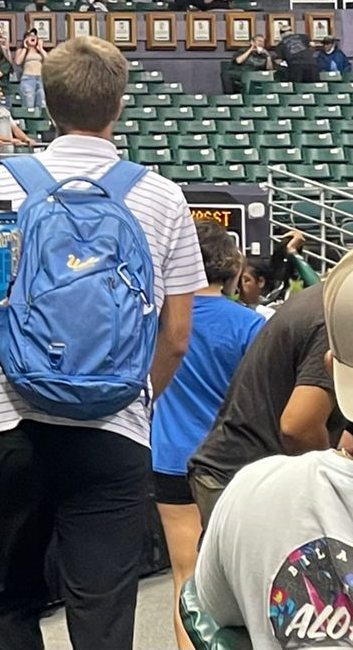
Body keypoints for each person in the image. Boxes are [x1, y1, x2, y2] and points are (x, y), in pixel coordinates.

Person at [0, 36, 205, 650]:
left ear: (46, 106)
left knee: (11, 598)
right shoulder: (161, 196)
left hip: (9, 423)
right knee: (102, 612)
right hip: (114, 429)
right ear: (119, 104)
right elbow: (177, 336)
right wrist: (134, 391)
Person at [193, 254, 353, 649]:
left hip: (246, 480)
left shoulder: (325, 307)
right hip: (246, 471)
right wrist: (320, 486)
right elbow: (297, 426)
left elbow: (206, 614)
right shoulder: (322, 318)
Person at [149, 220, 263, 650]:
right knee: (240, 577)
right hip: (235, 466)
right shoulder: (248, 325)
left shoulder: (162, 323)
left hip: (171, 458)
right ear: (234, 269)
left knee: (186, 578)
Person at [186, 282, 336, 524]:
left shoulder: (325, 299)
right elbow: (298, 427)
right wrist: (335, 485)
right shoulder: (335, 318)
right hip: (246, 480)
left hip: (242, 471)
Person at [14, 29, 46, 109]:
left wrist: (41, 49)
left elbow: (49, 60)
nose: (32, 37)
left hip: (40, 78)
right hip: (28, 79)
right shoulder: (21, 50)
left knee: (42, 104)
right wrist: (25, 48)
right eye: (29, 36)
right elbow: (18, 62)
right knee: (29, 104)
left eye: (34, 35)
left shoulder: (39, 51)